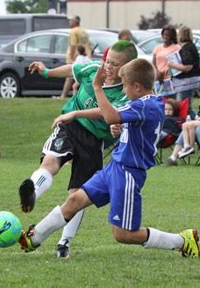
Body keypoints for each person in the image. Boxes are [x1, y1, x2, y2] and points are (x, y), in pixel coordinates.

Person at [18, 58, 200, 259]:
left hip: (129, 174)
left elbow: (110, 115)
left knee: (123, 234)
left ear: (138, 87)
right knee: (74, 200)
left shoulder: (144, 105)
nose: (123, 91)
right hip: (115, 167)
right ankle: (33, 238)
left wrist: (97, 87)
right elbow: (120, 120)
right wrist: (120, 127)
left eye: (125, 86)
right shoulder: (146, 103)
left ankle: (182, 241)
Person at [19, 40, 137, 259]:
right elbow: (73, 70)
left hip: (93, 141)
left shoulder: (125, 93)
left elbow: (107, 113)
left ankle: (64, 241)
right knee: (50, 162)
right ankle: (32, 191)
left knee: (78, 194)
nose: (108, 66)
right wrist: (46, 72)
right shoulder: (94, 69)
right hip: (70, 127)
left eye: (115, 64)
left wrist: (114, 126)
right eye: (107, 60)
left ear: (128, 68)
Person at [167, 25, 200, 117]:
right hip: (189, 81)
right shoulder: (191, 46)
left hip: (186, 83)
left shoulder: (187, 48)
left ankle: (188, 122)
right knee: (188, 106)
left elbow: (188, 67)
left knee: (183, 106)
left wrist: (172, 65)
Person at [60, 15, 91, 99]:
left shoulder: (73, 31)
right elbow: (89, 44)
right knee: (80, 79)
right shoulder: (84, 31)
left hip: (77, 57)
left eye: (71, 20)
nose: (69, 22)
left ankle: (63, 95)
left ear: (75, 22)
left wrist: (71, 58)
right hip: (86, 57)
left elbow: (73, 45)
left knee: (69, 77)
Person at [152, 26, 181, 92]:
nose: (165, 37)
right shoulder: (157, 48)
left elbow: (178, 63)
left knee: (170, 100)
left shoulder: (177, 48)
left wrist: (167, 73)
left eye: (168, 35)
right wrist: (157, 73)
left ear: (172, 36)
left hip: (171, 78)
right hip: (158, 78)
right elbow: (154, 63)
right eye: (164, 35)